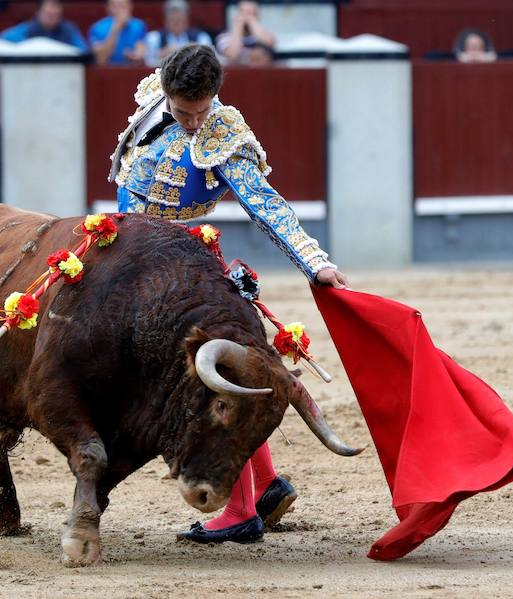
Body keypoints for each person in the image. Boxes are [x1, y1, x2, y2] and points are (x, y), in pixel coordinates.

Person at [108, 44, 347, 544]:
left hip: (182, 272)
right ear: (166, 92)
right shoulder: (154, 95)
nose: (193, 122)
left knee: (206, 384)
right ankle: (265, 486)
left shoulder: (224, 137)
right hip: (133, 257)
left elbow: (266, 205)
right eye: (182, 111)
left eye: (201, 110)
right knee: (225, 376)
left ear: (216, 96)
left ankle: (238, 511)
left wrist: (315, 262)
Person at [0, 0, 88, 52]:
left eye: (55, 15)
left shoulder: (68, 29)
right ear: (38, 12)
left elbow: (83, 51)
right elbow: (4, 39)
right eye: (48, 14)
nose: (52, 18)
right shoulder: (28, 29)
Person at [145, 0, 213, 67]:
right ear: (165, 21)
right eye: (172, 20)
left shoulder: (201, 37)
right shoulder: (154, 37)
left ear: (187, 20)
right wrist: (160, 54)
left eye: (179, 20)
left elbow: (209, 59)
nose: (176, 23)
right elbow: (147, 61)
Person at [215, 0, 276, 66]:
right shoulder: (224, 37)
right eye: (243, 12)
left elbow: (270, 44)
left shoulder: (267, 35)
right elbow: (232, 55)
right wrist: (237, 26)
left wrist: (253, 22)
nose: (246, 17)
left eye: (251, 13)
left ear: (258, 16)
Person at [89, 0, 147, 65]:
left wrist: (135, 56)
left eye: (123, 6)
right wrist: (117, 27)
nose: (120, 10)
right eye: (115, 6)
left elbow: (141, 52)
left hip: (131, 69)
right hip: (106, 71)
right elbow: (100, 59)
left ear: (130, 6)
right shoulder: (98, 28)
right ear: (108, 8)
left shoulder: (138, 25)